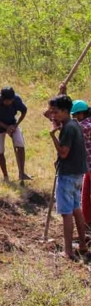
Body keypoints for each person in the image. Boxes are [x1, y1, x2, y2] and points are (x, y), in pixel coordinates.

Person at [48, 95, 89, 260]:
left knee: (66, 213)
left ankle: (68, 251)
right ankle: (83, 245)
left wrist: (53, 135)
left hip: (68, 175)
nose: (53, 115)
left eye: (56, 112)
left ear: (65, 111)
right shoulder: (75, 124)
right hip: (78, 173)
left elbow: (63, 153)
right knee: (76, 208)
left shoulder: (67, 128)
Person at [0, 87, 31, 183]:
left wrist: (16, 125)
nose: (9, 103)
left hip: (12, 124)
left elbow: (24, 111)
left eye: (11, 101)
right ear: (1, 98)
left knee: (20, 144)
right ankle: (6, 176)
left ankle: (22, 173)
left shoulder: (16, 99)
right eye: (7, 101)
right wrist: (6, 127)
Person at [72, 100, 91, 225]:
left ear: (82, 114)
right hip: (87, 166)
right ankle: (87, 220)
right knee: (85, 195)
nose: (74, 118)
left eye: (75, 115)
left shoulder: (86, 126)